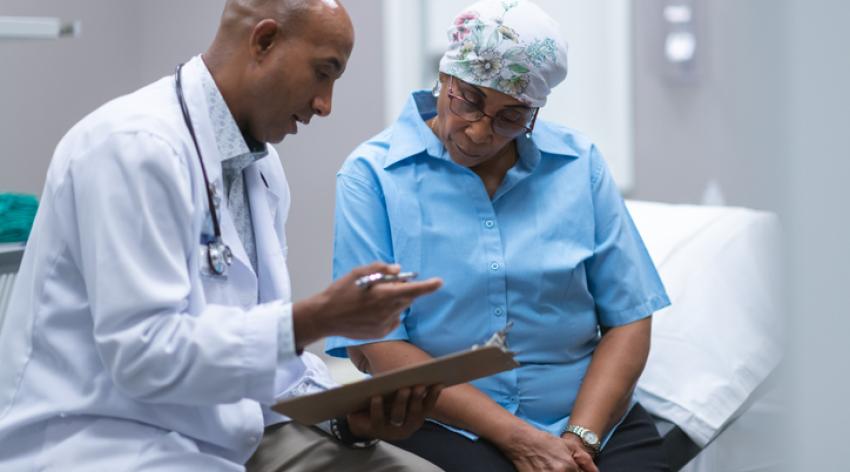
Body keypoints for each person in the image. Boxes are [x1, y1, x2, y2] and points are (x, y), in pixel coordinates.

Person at [0, 1, 446, 471]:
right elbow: (144, 357)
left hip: (228, 429)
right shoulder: (132, 148)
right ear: (264, 41)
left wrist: (346, 416)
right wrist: (312, 320)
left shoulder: (261, 167)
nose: (325, 105)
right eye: (322, 73)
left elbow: (253, 346)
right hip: (102, 439)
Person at [326, 1, 672, 471]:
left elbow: (629, 318)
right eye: (468, 99)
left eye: (510, 117)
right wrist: (521, 440)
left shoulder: (579, 165)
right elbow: (380, 346)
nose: (480, 130)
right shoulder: (372, 177)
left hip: (587, 419)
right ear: (444, 76)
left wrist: (579, 440)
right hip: (447, 421)